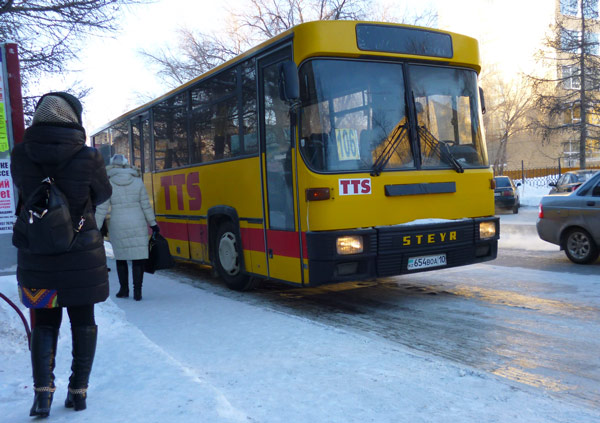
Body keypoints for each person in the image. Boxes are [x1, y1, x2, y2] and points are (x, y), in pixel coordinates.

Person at [10, 92, 112, 417]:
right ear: (74, 119)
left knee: (45, 323)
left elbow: (23, 191)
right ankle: (78, 392)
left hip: (38, 254)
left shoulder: (21, 155)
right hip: (80, 254)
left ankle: (42, 397)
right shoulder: (88, 156)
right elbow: (104, 192)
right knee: (83, 320)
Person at [95, 154, 158, 301]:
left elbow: (102, 208)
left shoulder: (108, 183)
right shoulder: (137, 181)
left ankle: (124, 289)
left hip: (118, 223)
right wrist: (153, 224)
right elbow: (145, 205)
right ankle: (138, 291)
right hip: (138, 222)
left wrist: (96, 227)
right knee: (138, 258)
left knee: (121, 258)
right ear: (126, 165)